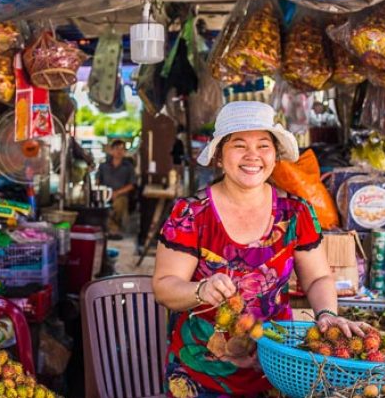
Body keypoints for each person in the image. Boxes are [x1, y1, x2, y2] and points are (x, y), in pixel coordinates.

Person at [152, 101, 366, 398]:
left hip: (278, 369)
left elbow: (318, 278)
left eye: (263, 146)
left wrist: (327, 314)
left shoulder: (296, 213)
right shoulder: (191, 214)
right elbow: (164, 287)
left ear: (275, 155)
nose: (253, 156)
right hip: (202, 374)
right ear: (219, 155)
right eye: (239, 145)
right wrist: (201, 290)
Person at [97, 139, 136, 236]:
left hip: (121, 195)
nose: (119, 151)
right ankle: (109, 228)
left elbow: (132, 185)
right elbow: (98, 181)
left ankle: (113, 228)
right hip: (104, 194)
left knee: (119, 203)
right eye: (116, 148)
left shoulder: (128, 166)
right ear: (111, 150)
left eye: (122, 149)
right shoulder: (103, 166)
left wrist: (116, 193)